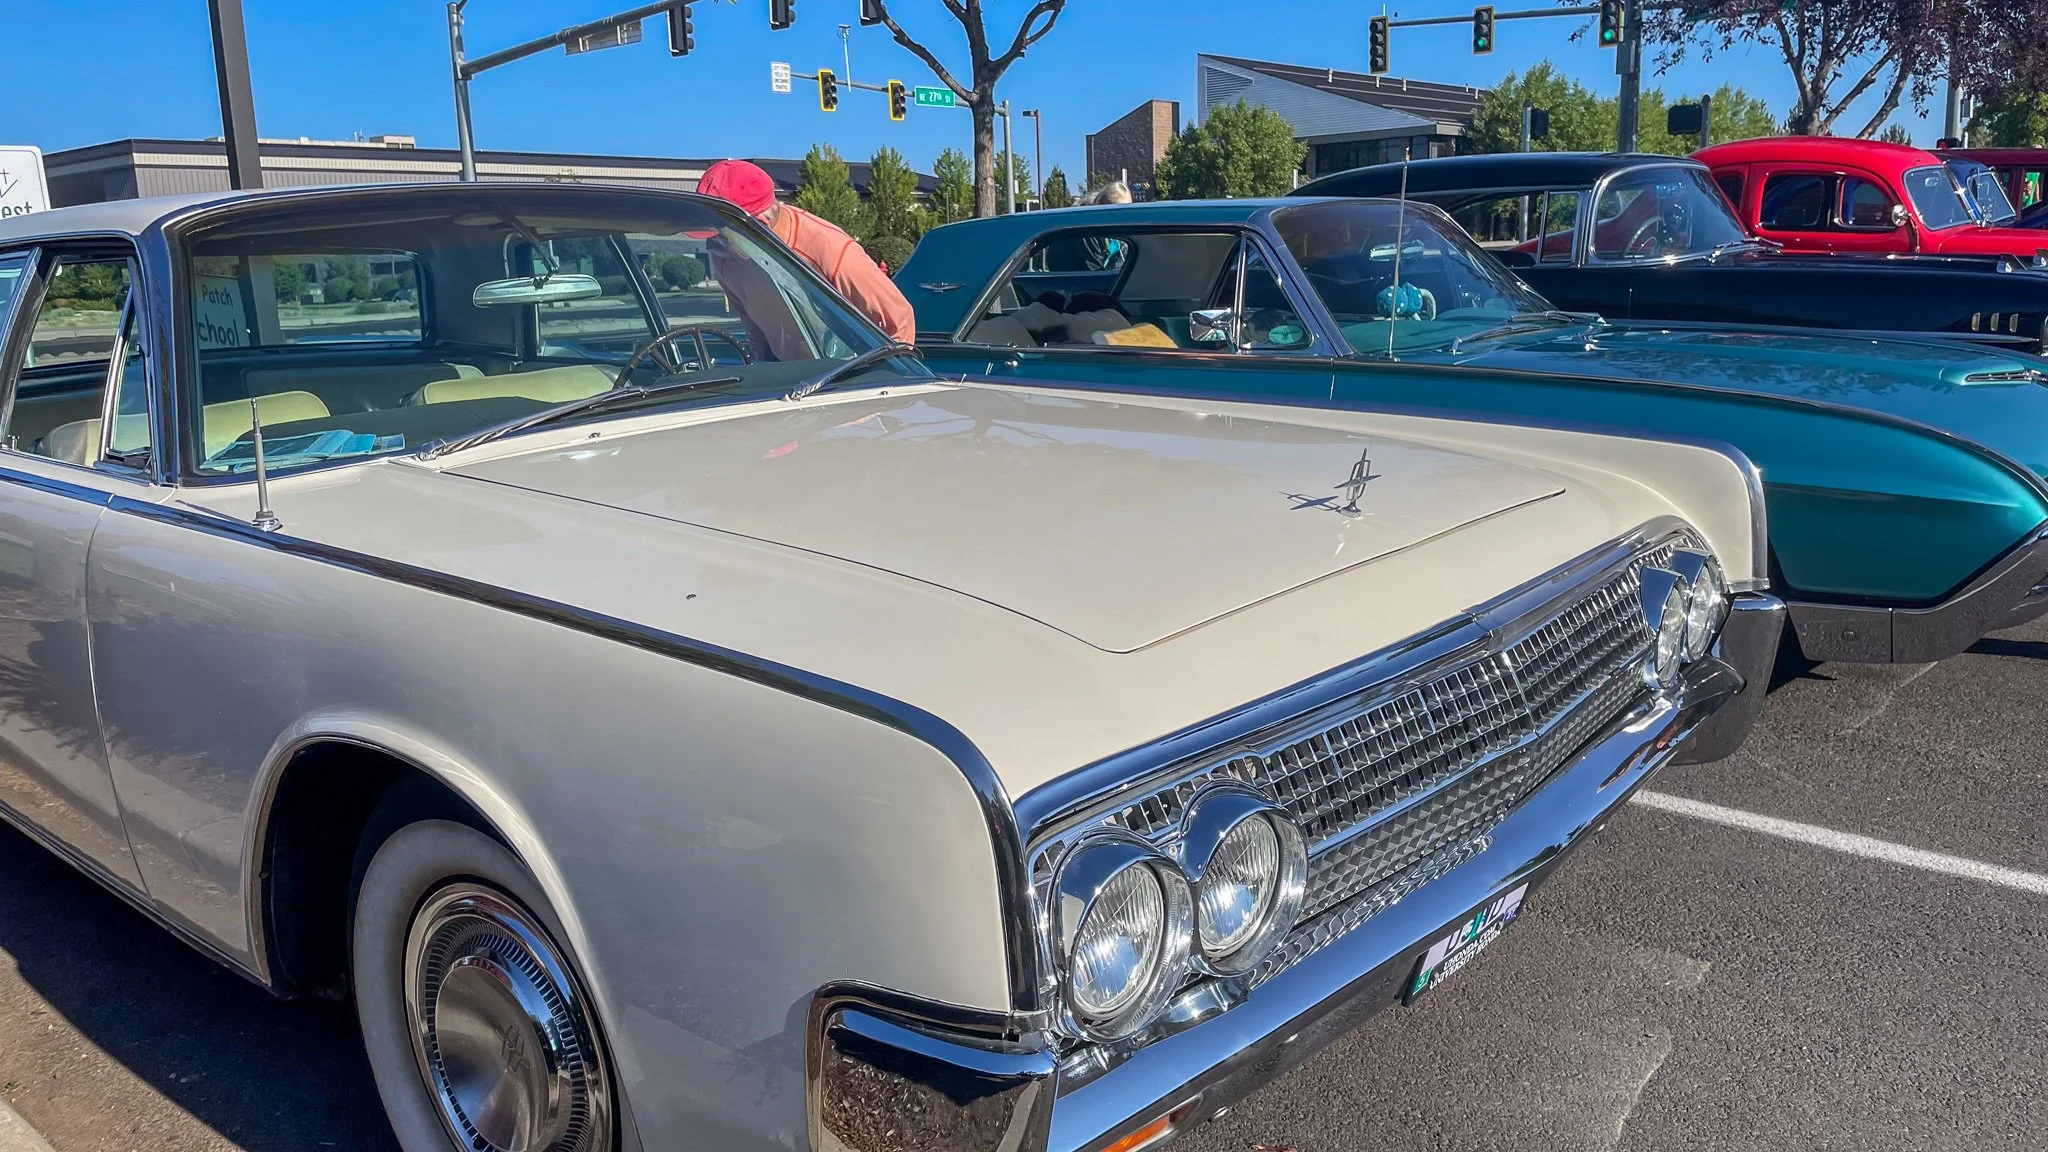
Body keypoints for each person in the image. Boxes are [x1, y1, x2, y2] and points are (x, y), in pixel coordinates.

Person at [695, 159, 916, 345]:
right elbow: (754, 327)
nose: (714, 244)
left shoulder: (827, 247)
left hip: (846, 376)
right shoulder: (725, 257)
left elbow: (899, 320)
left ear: (761, 224)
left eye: (722, 233)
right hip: (786, 377)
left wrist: (886, 377)